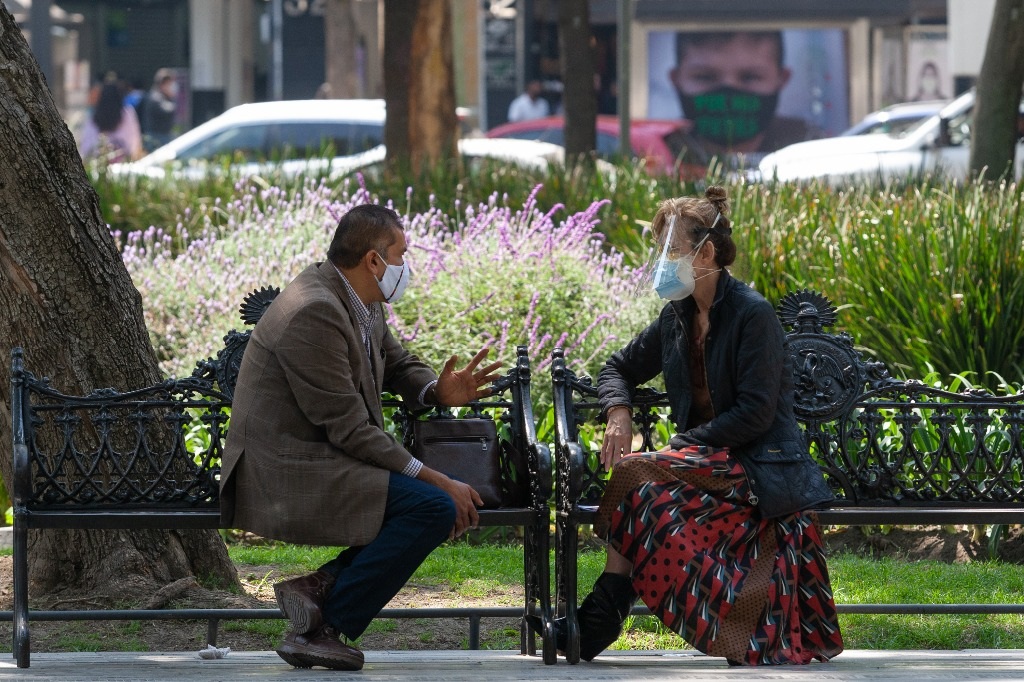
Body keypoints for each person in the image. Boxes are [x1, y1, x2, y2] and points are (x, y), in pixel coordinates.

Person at [558, 186, 844, 665]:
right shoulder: (677, 314)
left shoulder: (753, 314)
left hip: (754, 465)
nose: (663, 264)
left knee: (635, 475)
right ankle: (602, 614)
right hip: (704, 461)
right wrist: (618, 413)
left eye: (672, 252)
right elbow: (617, 369)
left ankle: (601, 615)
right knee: (638, 486)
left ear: (706, 252)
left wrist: (682, 445)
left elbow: (756, 413)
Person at [220, 203, 501, 671]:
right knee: (433, 504)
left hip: (323, 457)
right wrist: (436, 478)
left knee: (430, 505)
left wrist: (437, 390)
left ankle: (318, 591)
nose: (405, 267)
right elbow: (349, 428)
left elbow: (397, 363)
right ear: (373, 260)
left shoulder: (359, 299)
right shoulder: (315, 310)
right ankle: (324, 625)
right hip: (284, 470)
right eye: (401, 255)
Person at [663, 31, 823, 169]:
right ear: (676, 79)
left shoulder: (814, 149)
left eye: (750, 77)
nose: (728, 92)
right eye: (705, 77)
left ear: (782, 78)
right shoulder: (655, 151)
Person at [78, 82, 143, 162]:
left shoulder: (94, 116)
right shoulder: (127, 113)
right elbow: (134, 138)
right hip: (122, 162)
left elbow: (87, 143)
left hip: (98, 162)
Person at [141, 68, 179, 149]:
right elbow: (167, 109)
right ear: (163, 84)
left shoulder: (164, 97)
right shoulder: (155, 97)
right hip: (156, 138)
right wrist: (173, 99)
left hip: (163, 136)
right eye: (169, 84)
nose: (172, 87)